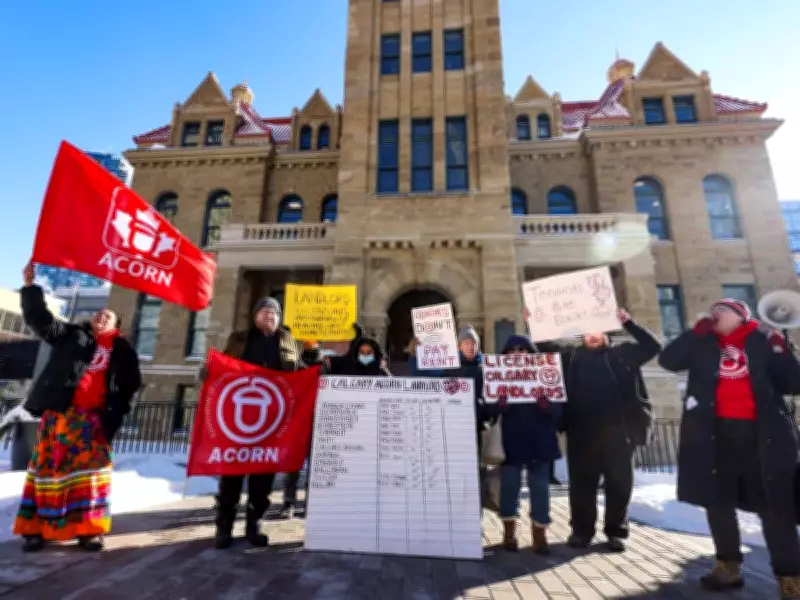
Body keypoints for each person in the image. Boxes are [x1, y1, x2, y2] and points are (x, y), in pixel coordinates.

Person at [659, 299, 800, 597]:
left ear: (741, 316)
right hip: (716, 436)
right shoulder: (703, 342)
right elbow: (668, 361)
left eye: (722, 310)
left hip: (763, 437)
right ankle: (728, 567)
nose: (715, 314)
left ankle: (790, 577)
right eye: (712, 311)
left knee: (774, 507)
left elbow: (793, 383)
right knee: (718, 502)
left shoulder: (763, 339)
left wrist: (782, 347)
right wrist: (693, 333)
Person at [14, 262, 141, 552]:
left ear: (116, 326)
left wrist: (114, 417)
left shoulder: (122, 351)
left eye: (108, 315)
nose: (101, 316)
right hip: (60, 416)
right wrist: (31, 287)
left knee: (90, 478)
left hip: (93, 422)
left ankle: (88, 531)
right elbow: (40, 319)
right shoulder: (72, 335)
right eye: (99, 313)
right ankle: (37, 530)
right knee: (48, 473)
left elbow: (129, 388)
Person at [535, 307, 661, 552]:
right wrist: (535, 320)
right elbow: (544, 348)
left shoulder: (624, 354)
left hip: (620, 431)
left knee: (619, 484)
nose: (591, 336)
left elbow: (653, 346)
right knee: (582, 485)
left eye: (597, 331)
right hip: (582, 432)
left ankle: (616, 532)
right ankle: (582, 531)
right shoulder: (571, 356)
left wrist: (629, 323)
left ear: (606, 333)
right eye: (586, 333)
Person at [213, 296, 310, 550]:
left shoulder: (288, 340)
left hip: (271, 420)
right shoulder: (239, 339)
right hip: (239, 418)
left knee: (263, 477)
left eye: (274, 313)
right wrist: (207, 371)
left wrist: (315, 363)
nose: (269, 316)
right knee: (232, 475)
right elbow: (222, 367)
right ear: (255, 315)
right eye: (265, 311)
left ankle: (254, 525)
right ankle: (224, 527)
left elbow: (298, 371)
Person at [491, 335, 562, 555]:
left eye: (522, 349)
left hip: (540, 440)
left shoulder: (547, 375)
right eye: (512, 350)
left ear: (530, 353)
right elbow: (488, 411)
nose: (517, 353)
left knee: (540, 487)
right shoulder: (498, 377)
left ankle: (539, 533)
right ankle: (509, 532)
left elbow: (559, 411)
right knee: (509, 487)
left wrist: (546, 406)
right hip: (512, 440)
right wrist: (499, 406)